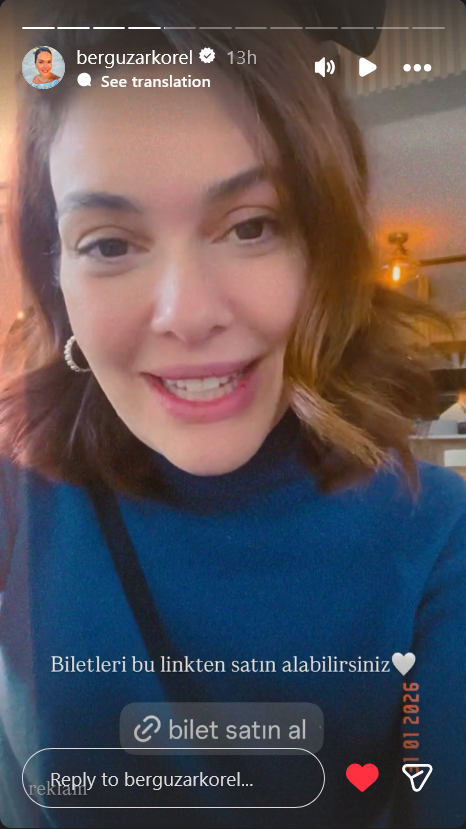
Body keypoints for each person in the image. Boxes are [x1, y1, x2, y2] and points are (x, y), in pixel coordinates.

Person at [1, 1, 465, 828]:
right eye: (110, 243)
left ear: (324, 249)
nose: (186, 314)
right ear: (57, 278)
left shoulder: (436, 534)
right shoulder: (16, 501)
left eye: (251, 226)